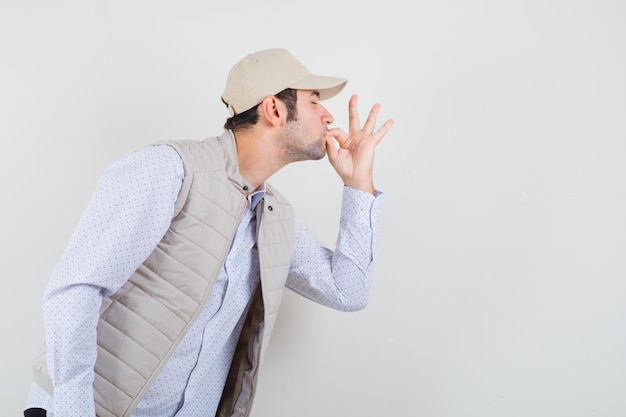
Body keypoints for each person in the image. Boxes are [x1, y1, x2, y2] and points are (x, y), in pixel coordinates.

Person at [24, 47, 394, 417]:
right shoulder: (168, 170)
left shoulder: (275, 216)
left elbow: (349, 290)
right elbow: (74, 289)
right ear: (275, 109)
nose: (329, 116)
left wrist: (358, 182)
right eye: (315, 102)